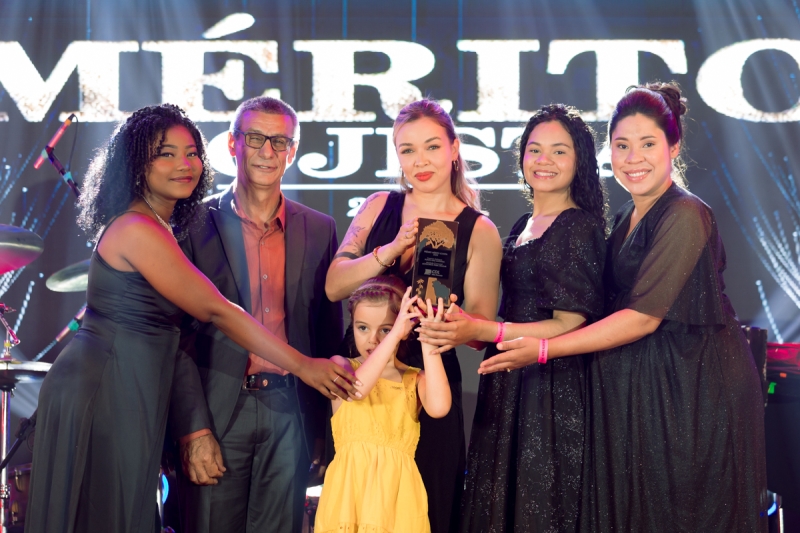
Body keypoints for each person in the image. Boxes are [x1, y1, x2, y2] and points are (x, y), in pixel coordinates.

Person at [25, 104, 356, 533]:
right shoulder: (139, 228)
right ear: (137, 163)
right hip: (106, 386)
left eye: (192, 153)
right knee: (106, 513)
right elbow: (215, 309)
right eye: (166, 154)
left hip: (136, 387)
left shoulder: (158, 225)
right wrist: (305, 366)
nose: (184, 164)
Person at [481, 83, 769, 532]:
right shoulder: (623, 219)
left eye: (648, 144)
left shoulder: (685, 214)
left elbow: (642, 317)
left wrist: (543, 349)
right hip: (644, 388)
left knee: (684, 513)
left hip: (691, 391)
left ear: (674, 147)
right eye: (621, 146)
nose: (633, 158)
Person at [418, 104, 607, 532]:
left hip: (551, 389)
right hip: (509, 380)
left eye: (559, 151)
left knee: (538, 505)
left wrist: (484, 328)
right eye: (534, 150)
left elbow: (571, 323)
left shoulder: (577, 227)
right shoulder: (525, 223)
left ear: (580, 160)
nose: (544, 160)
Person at [167, 96, 346, 533]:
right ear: (232, 144)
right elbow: (175, 337)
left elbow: (326, 334)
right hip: (218, 411)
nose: (268, 151)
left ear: (293, 151)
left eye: (280, 141)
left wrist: (321, 430)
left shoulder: (319, 229)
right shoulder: (191, 224)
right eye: (255, 138)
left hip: (290, 412)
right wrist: (192, 429)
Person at [325, 98, 502, 533]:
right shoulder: (378, 206)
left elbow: (480, 331)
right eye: (407, 150)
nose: (420, 161)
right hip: (365, 382)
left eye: (432, 147)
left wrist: (451, 322)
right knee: (359, 510)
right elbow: (334, 286)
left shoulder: (479, 229)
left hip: (428, 384)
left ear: (454, 149)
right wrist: (391, 250)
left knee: (429, 510)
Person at [315, 277, 451, 533]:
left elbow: (440, 407)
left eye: (385, 330)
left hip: (396, 504)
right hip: (349, 499)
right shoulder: (342, 366)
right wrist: (393, 335)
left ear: (404, 328)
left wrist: (428, 339)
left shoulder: (415, 379)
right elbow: (357, 391)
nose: (373, 339)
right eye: (363, 328)